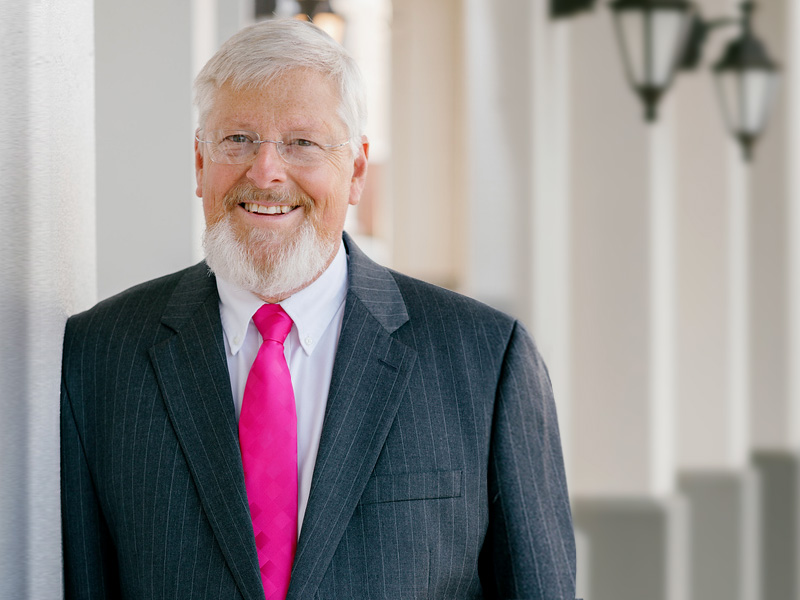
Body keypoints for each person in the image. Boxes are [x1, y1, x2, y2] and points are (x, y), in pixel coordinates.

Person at [61, 18, 577, 600]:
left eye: (302, 143)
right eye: (237, 140)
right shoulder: (99, 355)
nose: (265, 172)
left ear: (355, 169)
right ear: (200, 164)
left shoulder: (486, 359)